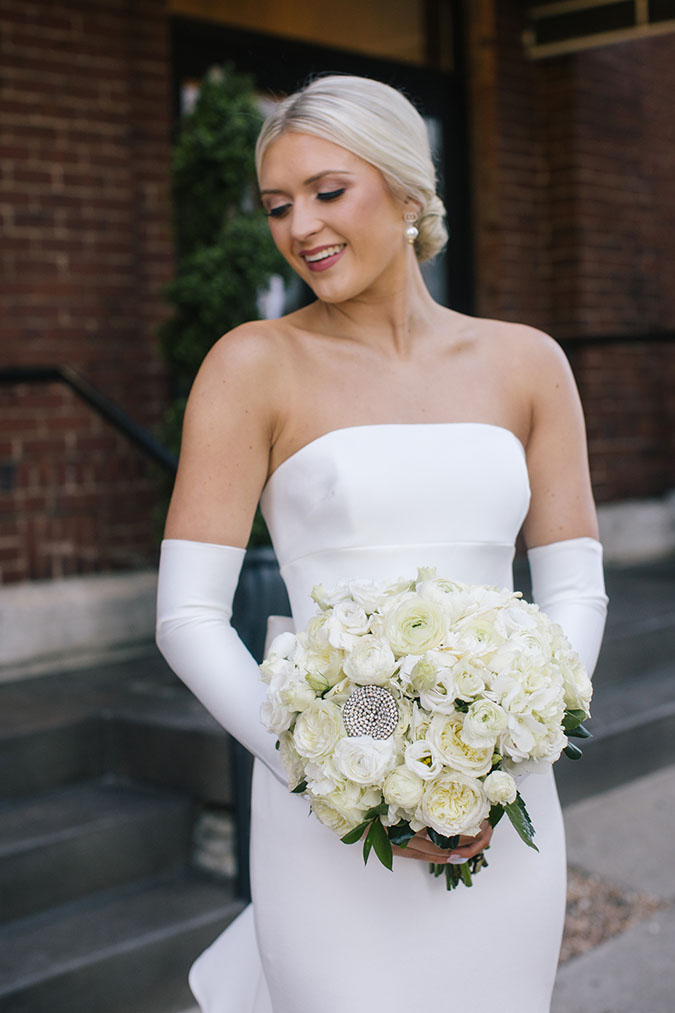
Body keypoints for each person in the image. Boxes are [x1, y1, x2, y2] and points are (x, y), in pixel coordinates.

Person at [156, 74, 608, 1012]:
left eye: (328, 191)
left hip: (500, 797)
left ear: (408, 191)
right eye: (278, 205)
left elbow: (575, 590)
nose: (300, 227)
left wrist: (501, 757)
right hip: (327, 797)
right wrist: (348, 777)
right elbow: (188, 616)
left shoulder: (528, 362)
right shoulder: (253, 364)